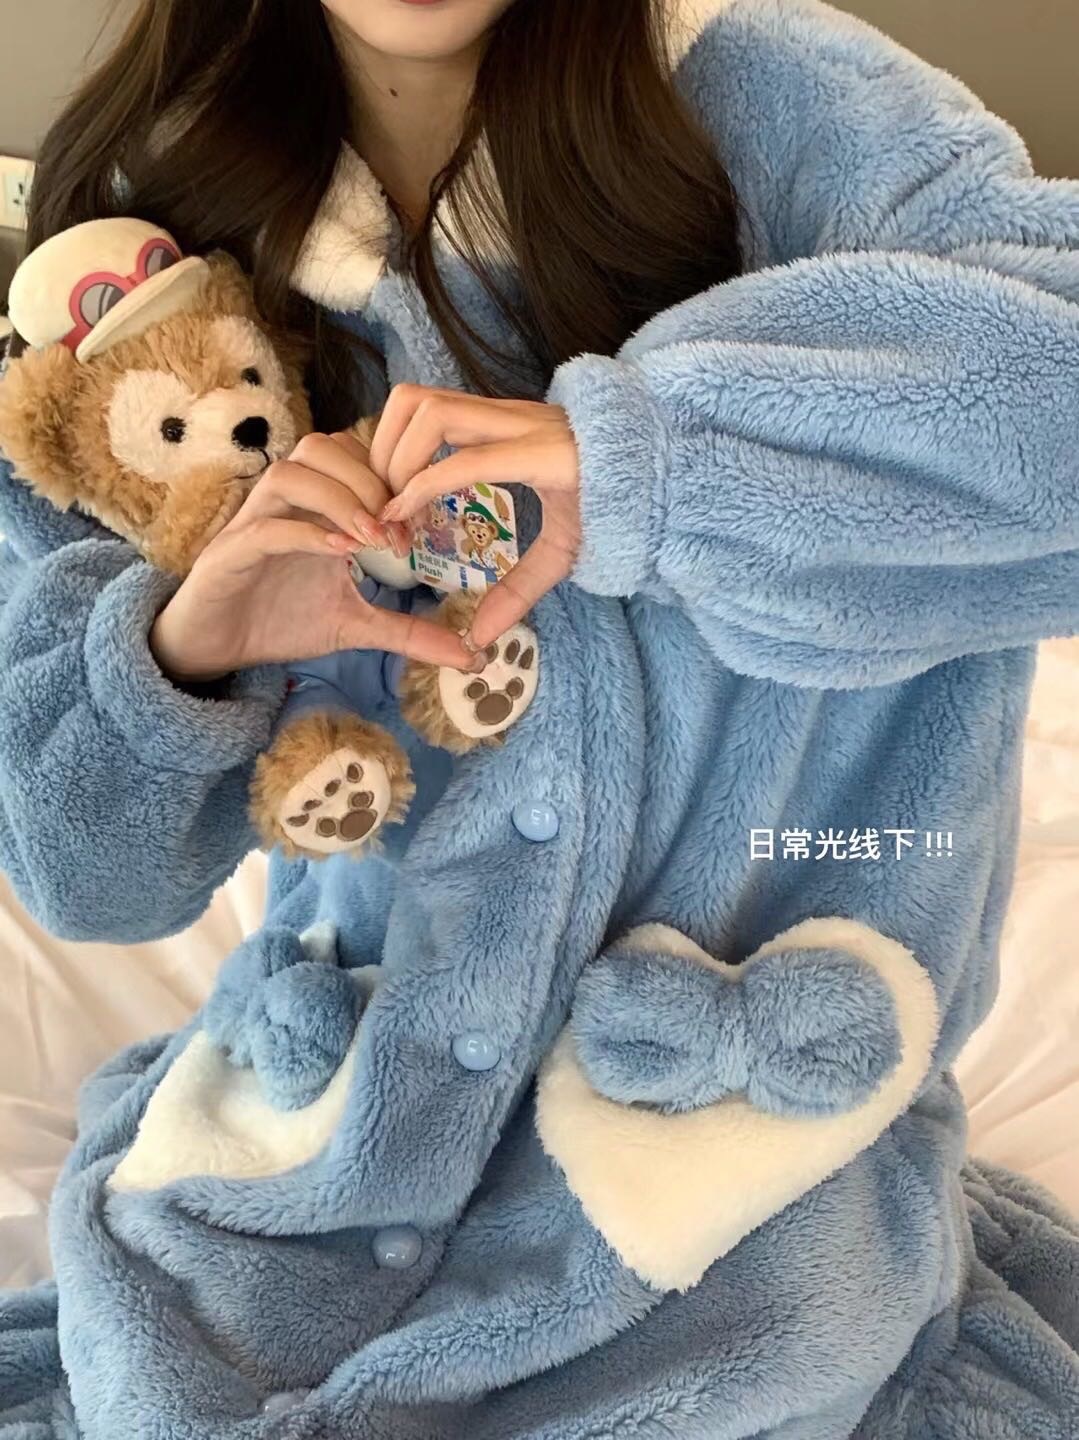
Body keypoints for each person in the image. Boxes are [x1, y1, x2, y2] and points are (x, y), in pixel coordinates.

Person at [1, 0, 1078, 1436]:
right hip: (319, 1123)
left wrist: (653, 463)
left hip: (733, 1165)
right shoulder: (141, 249)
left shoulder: (787, 103)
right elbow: (80, 877)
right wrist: (180, 653)